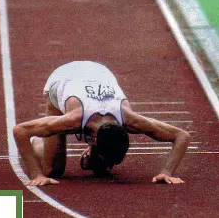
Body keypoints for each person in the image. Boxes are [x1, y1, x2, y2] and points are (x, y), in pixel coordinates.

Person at [13, 61, 190, 186]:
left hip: (98, 72)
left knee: (101, 170)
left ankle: (97, 157)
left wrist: (166, 172)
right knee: (52, 170)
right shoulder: (72, 119)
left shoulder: (130, 120)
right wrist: (37, 174)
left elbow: (182, 136)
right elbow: (20, 131)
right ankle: (40, 140)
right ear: (95, 140)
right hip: (63, 77)